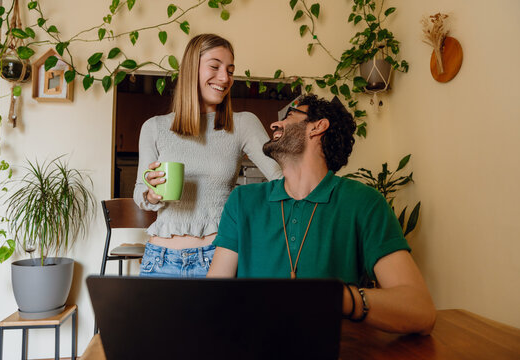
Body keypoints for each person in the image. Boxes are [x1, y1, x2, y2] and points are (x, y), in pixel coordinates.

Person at [207, 94, 436, 335]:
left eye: (289, 117)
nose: (274, 125)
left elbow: (421, 311)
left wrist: (338, 297)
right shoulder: (243, 201)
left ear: (318, 126)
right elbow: (212, 299)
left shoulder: (365, 203)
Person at [134, 34, 282, 278]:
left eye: (230, 70)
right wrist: (151, 193)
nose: (225, 78)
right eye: (214, 67)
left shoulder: (243, 124)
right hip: (160, 261)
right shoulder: (154, 127)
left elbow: (281, 179)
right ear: (192, 69)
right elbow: (141, 190)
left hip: (217, 259)